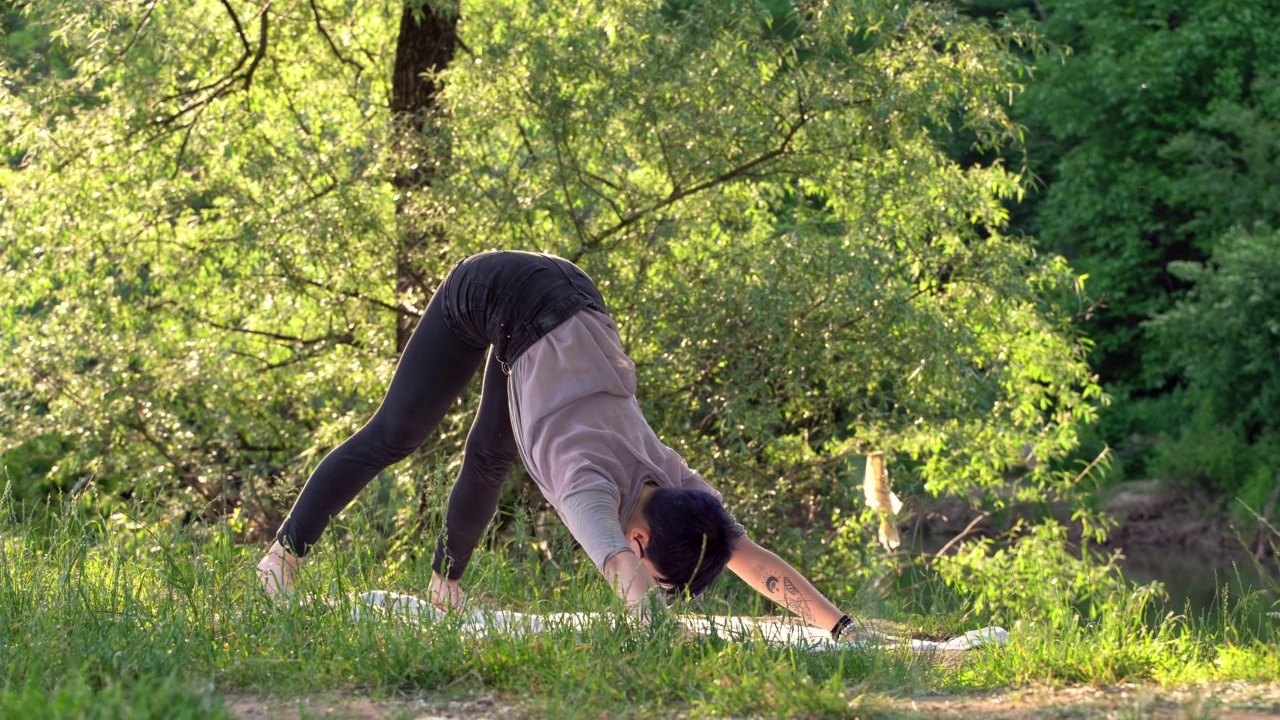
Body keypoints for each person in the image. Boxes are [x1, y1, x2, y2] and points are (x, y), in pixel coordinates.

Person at [256, 250, 864, 641]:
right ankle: (279, 560)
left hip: (569, 298)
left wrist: (841, 627)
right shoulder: (588, 487)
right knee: (397, 434)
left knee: (492, 456)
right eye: (660, 581)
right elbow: (620, 570)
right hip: (495, 288)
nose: (654, 590)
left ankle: (444, 588)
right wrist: (658, 636)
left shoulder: (678, 486)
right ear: (640, 538)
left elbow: (746, 555)